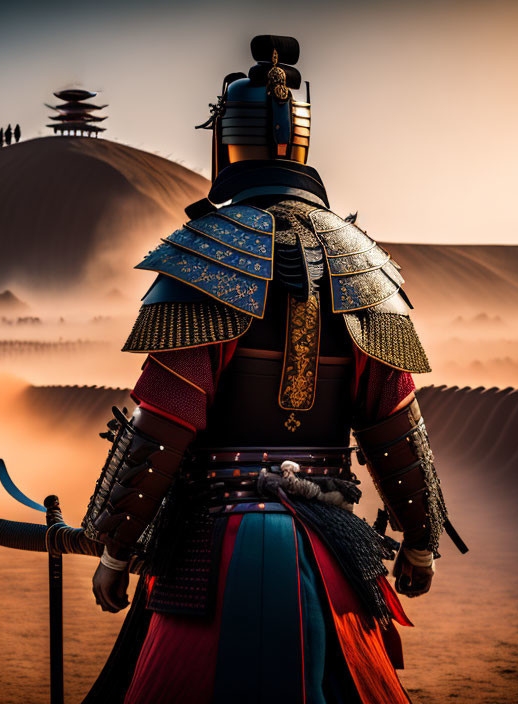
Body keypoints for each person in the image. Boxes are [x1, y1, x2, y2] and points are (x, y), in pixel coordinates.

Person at [81, 35, 467, 704]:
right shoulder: (364, 261)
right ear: (302, 144)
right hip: (332, 546)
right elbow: (398, 426)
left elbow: (163, 425)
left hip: (213, 550)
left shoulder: (205, 257)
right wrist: (422, 541)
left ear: (228, 142)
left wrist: (116, 546)